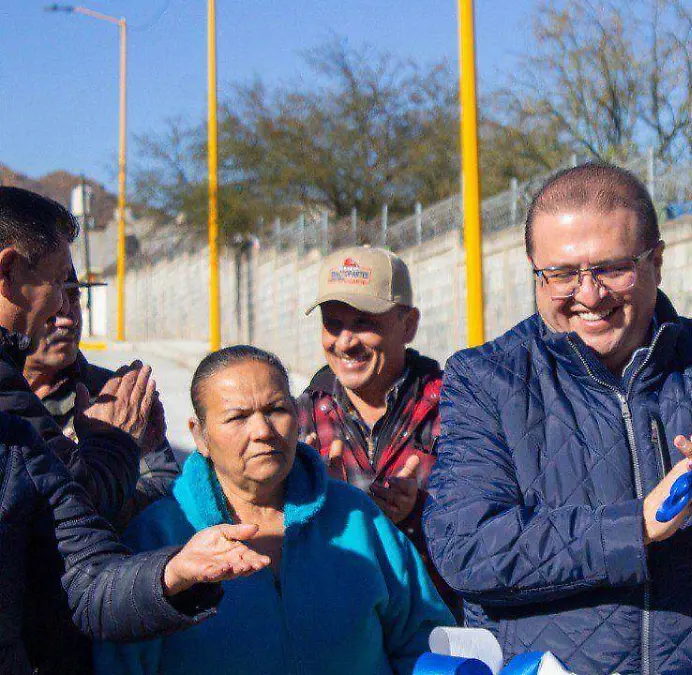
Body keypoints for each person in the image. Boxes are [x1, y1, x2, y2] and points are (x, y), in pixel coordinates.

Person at [424, 163, 692, 674]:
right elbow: (465, 547)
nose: (589, 294)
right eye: (560, 274)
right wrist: (633, 528)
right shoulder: (484, 379)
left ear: (657, 261)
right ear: (534, 269)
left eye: (612, 267)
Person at [0, 186, 273, 675]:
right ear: (7, 273)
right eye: (60, 282)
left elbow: (83, 570)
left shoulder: (115, 397)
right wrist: (111, 451)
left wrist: (172, 571)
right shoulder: (21, 420)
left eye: (75, 293)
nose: (65, 308)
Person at [96, 345, 454, 675]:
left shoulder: (358, 518)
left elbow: (424, 642)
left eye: (276, 410)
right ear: (200, 436)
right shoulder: (160, 537)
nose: (262, 431)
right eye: (238, 417)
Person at [296, 245, 456, 613]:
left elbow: (486, 531)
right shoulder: (298, 416)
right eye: (332, 324)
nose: (345, 342)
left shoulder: (457, 409)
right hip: (337, 625)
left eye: (364, 323)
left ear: (409, 325)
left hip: (434, 631)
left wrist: (417, 513)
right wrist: (311, 502)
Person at [24, 265, 180, 529]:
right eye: (53, 300)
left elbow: (164, 483)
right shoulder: (10, 399)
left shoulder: (114, 396)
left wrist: (103, 498)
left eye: (73, 297)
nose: (68, 318)